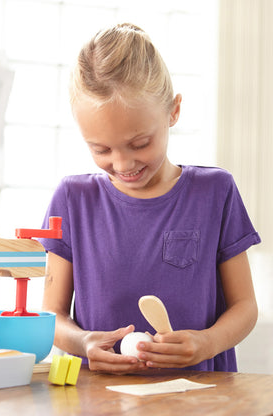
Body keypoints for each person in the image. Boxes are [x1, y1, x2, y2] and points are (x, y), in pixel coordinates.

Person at [38, 23, 261, 374]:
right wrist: (83, 343)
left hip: (201, 400)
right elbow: (52, 315)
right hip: (99, 401)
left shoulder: (215, 192)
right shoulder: (73, 199)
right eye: (101, 149)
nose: (123, 164)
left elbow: (245, 307)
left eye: (140, 143)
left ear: (173, 111)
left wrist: (207, 343)